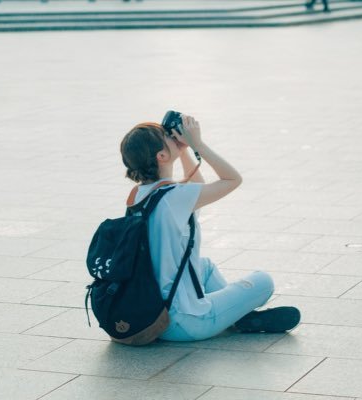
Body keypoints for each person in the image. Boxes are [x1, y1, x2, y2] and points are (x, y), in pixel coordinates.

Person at [120, 114, 300, 342]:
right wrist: (197, 145)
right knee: (263, 281)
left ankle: (236, 316)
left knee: (204, 267)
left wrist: (183, 150)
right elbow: (232, 179)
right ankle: (238, 317)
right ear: (162, 156)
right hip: (188, 322)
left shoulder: (139, 195)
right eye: (167, 136)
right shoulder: (174, 196)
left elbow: (196, 188)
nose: (173, 136)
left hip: (156, 318)